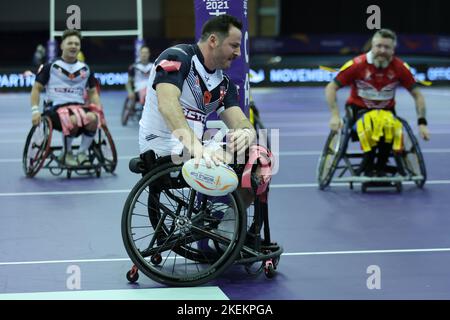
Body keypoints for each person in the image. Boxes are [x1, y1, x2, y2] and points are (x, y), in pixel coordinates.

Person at [139, 14, 266, 208]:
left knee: (261, 160)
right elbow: (167, 105)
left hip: (194, 149)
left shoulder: (224, 84)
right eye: (234, 45)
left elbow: (240, 121)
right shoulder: (176, 57)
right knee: (233, 161)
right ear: (213, 41)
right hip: (161, 147)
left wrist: (247, 133)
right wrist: (197, 148)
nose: (239, 53)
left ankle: (227, 227)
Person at [325, 28, 430, 176]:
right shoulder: (356, 64)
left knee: (390, 126)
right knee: (373, 125)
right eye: (378, 46)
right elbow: (331, 87)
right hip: (358, 111)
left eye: (387, 47)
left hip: (387, 113)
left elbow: (417, 95)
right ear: (372, 46)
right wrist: (335, 115)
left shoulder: (400, 68)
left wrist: (422, 123)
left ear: (393, 50)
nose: (382, 50)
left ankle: (379, 166)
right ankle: (368, 166)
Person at [30, 29, 103, 166]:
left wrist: (99, 111)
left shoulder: (85, 69)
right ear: (62, 45)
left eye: (77, 43)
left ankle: (81, 153)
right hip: (55, 109)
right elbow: (36, 89)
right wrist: (35, 111)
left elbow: (93, 92)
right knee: (73, 119)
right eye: (70, 43)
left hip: (79, 107)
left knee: (93, 119)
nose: (74, 46)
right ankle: (67, 152)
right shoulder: (50, 67)